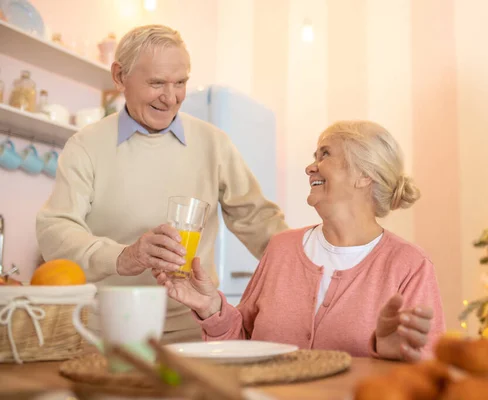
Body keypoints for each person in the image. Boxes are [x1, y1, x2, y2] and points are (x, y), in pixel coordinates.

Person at [36, 24, 288, 343]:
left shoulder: (214, 143)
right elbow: (55, 230)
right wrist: (124, 256)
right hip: (107, 329)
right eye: (156, 83)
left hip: (193, 329)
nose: (170, 98)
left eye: (180, 82)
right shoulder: (85, 145)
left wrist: (310, 267)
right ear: (119, 76)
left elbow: (259, 221)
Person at [154, 120, 445, 360]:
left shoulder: (409, 265)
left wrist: (393, 356)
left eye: (325, 154)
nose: (310, 167)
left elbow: (426, 374)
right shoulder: (282, 248)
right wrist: (210, 308)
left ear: (364, 175)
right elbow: (242, 344)